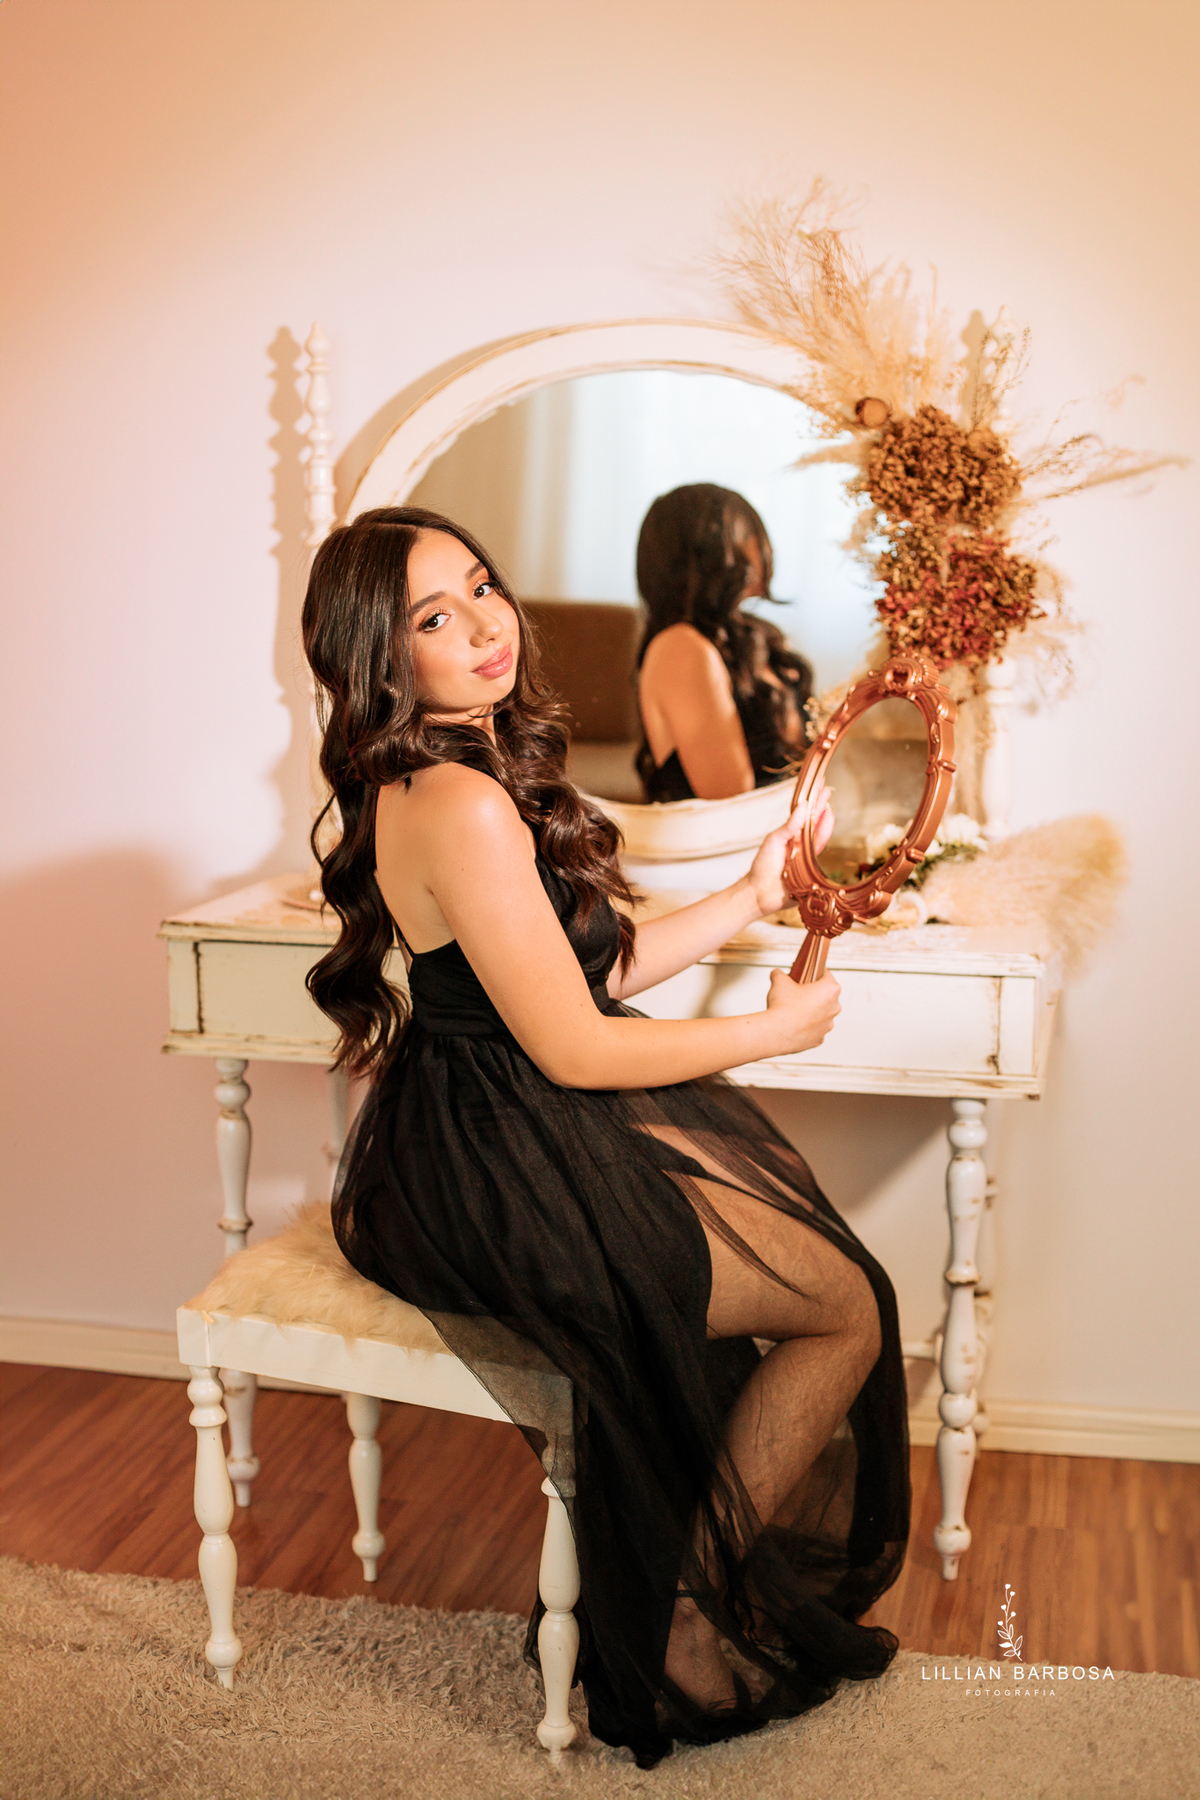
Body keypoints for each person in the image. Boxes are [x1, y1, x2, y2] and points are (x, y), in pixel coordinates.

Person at [302, 504, 909, 1768]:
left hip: (503, 1106)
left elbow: (590, 964)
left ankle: (673, 1592)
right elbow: (577, 1046)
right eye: (433, 616)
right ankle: (679, 1611)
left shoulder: (460, 761)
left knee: (823, 1289)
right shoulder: (455, 800)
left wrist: (747, 897)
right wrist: (768, 1035)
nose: (484, 625)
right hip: (494, 1144)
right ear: (380, 651)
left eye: (481, 588)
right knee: (844, 1305)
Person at [636, 484, 812, 803]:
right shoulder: (682, 649)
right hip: (732, 848)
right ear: (711, 553)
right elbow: (731, 799)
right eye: (749, 535)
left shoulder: (750, 639)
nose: (765, 549)